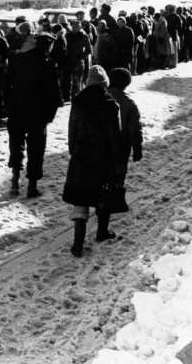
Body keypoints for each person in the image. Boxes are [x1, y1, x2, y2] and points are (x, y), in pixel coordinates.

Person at [62, 65, 124, 257]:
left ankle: (77, 244)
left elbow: (72, 129)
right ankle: (102, 231)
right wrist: (117, 159)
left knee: (80, 201)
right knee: (102, 195)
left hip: (81, 155)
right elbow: (115, 136)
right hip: (102, 156)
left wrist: (74, 149)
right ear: (104, 83)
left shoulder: (78, 101)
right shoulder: (111, 104)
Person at [5, 31, 63, 198]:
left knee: (16, 145)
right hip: (38, 115)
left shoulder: (18, 59)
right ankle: (32, 186)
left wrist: (10, 105)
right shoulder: (49, 64)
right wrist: (49, 116)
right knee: (36, 150)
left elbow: (6, 85)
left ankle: (15, 181)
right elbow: (55, 94)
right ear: (49, 46)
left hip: (17, 111)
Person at [107, 68, 143, 200]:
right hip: (122, 146)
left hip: (100, 143)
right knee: (119, 172)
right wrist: (137, 147)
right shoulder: (128, 103)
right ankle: (115, 196)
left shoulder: (100, 97)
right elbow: (135, 128)